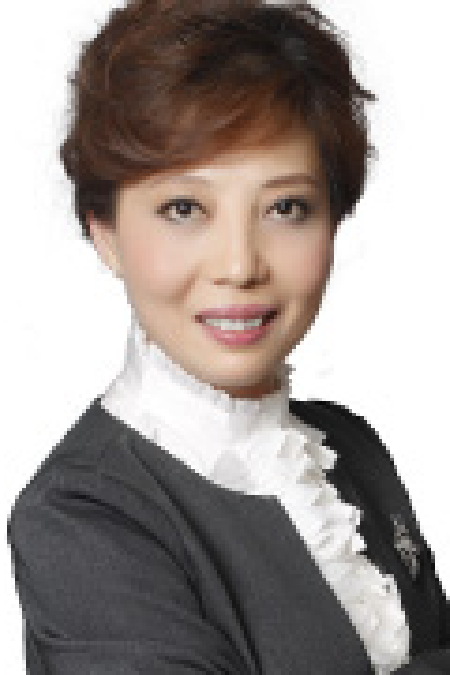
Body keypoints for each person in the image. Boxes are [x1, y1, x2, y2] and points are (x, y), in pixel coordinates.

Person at [6, 1, 449, 673]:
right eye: (184, 208)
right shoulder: (82, 516)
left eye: (286, 208)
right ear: (106, 233)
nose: (240, 265)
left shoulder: (353, 452)